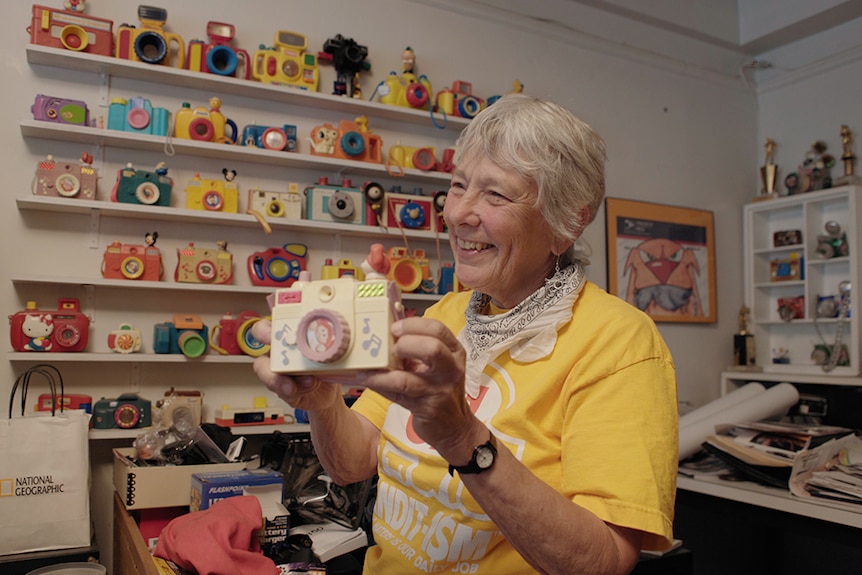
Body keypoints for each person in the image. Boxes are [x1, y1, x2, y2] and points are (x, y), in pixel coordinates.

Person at [253, 93, 678, 574]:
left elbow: (602, 563)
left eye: (495, 194)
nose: (458, 214)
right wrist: (324, 401)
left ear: (567, 223)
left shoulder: (620, 343)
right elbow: (353, 463)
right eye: (458, 186)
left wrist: (463, 439)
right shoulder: (445, 313)